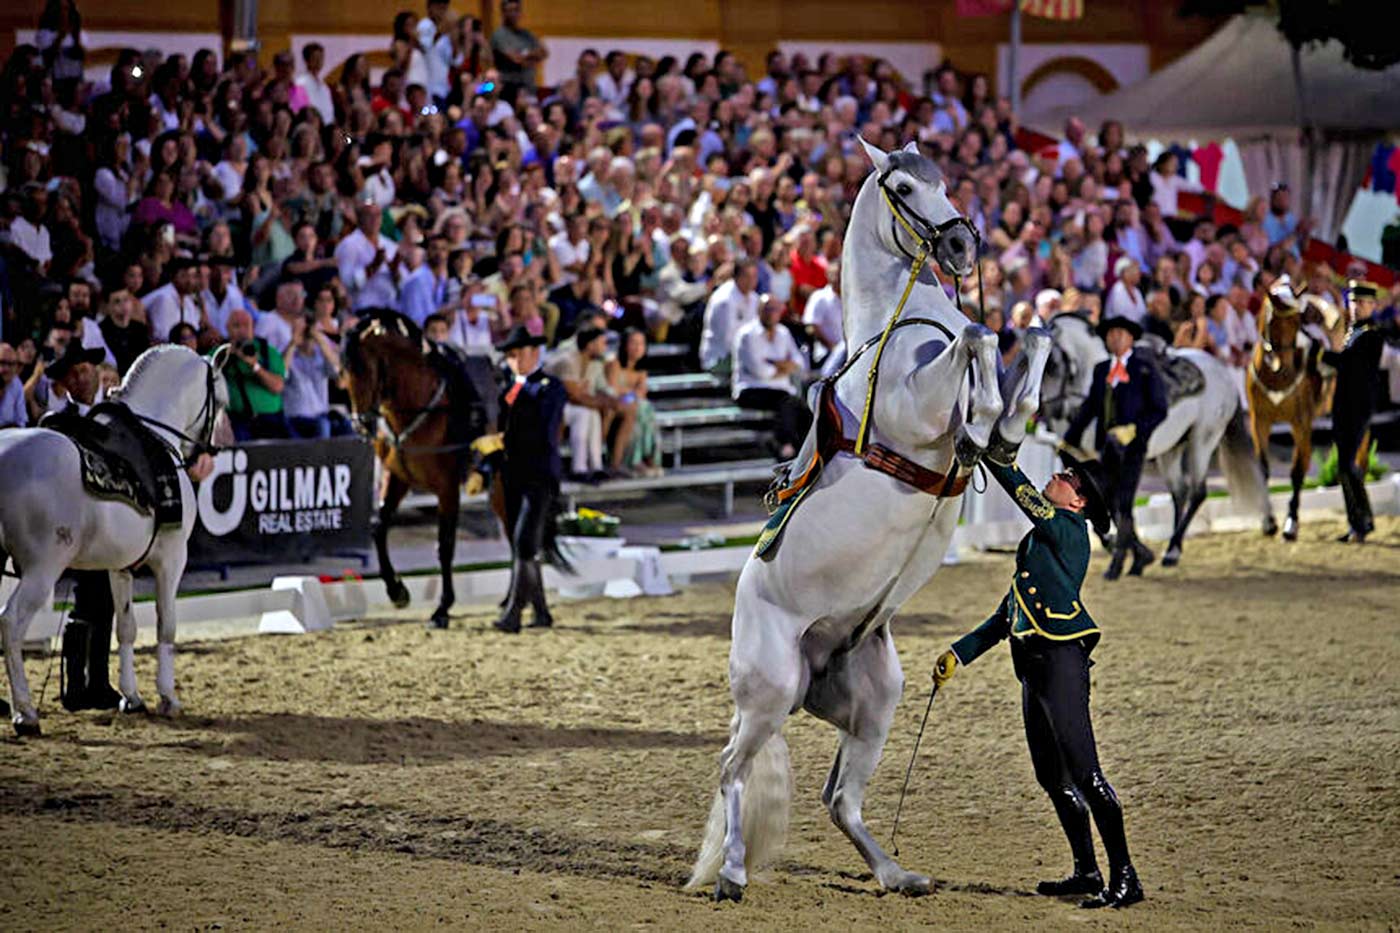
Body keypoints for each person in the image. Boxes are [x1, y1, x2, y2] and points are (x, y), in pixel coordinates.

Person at [931, 448, 1144, 910]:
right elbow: (1004, 616)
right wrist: (957, 655)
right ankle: (1087, 870)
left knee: (1087, 774)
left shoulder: (1066, 530)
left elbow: (1021, 492)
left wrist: (992, 454)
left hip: (1060, 662)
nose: (1058, 475)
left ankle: (1126, 875)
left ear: (1079, 502)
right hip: (1033, 667)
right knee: (1052, 776)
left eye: (1067, 476)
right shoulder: (1038, 543)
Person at [1063, 315, 1168, 580]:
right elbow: (1090, 407)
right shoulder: (1101, 370)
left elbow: (1159, 409)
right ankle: (1140, 551)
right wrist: (1069, 438)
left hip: (1132, 449)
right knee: (1108, 502)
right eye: (1111, 334)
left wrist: (1134, 430)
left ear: (1131, 338)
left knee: (1123, 503)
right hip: (1106, 449)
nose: (1116, 338)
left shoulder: (1144, 367)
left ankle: (1118, 561)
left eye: (1121, 334)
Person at [493, 324, 566, 633]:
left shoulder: (549, 386)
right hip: (513, 475)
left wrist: (518, 389)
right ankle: (541, 609)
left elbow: (543, 425)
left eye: (517, 354)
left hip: (538, 476)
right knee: (522, 543)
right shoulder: (508, 389)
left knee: (524, 541)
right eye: (509, 355)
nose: (513, 360)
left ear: (533, 353)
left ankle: (514, 611)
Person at [1321, 281, 1398, 543]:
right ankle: (1361, 520)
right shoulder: (1353, 331)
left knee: (1346, 465)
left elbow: (1348, 365)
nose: (1356, 307)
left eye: (1362, 303)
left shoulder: (1371, 335)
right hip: (1344, 406)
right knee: (1346, 465)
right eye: (1353, 303)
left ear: (1373, 306)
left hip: (1358, 407)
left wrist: (1319, 354)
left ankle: (1361, 521)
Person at [733, 295, 811, 460]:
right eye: (767, 309)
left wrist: (775, 364)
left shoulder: (783, 333)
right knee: (788, 402)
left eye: (775, 310)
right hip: (750, 390)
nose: (771, 313)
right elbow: (760, 371)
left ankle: (802, 452)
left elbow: (798, 363)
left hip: (780, 392)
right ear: (759, 310)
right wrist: (785, 366)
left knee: (805, 410)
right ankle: (785, 447)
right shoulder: (747, 334)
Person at [546, 326, 618, 482]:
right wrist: (602, 403)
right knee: (584, 412)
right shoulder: (568, 361)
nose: (605, 347)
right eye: (602, 343)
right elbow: (573, 395)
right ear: (590, 345)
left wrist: (610, 400)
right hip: (550, 406)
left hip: (568, 406)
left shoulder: (594, 363)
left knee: (592, 413)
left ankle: (596, 466)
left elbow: (600, 389)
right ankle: (578, 468)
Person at [223, 308, 289, 440]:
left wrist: (255, 366)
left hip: (270, 420)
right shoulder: (221, 353)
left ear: (253, 327)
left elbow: (277, 387)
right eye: (236, 326)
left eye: (246, 325)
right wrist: (229, 355)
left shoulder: (268, 352)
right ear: (227, 329)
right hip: (237, 421)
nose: (242, 330)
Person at [282, 311, 342, 439]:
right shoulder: (289, 354)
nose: (306, 336)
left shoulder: (322, 355)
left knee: (341, 425)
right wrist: (293, 342)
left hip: (321, 415)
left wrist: (320, 339)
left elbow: (337, 372)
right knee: (322, 426)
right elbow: (281, 374)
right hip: (295, 418)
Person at [699, 259, 760, 374]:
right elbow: (727, 340)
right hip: (718, 359)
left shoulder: (754, 298)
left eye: (754, 276)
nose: (752, 280)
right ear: (736, 277)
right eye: (747, 276)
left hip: (743, 355)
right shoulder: (724, 301)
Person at [491, 0, 548, 97]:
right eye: (510, 10)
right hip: (509, 88)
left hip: (529, 86)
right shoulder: (499, 35)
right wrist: (531, 58)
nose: (513, 14)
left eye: (516, 10)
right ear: (503, 13)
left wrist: (525, 56)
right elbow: (515, 59)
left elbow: (544, 52)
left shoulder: (526, 35)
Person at [1104, 257, 1146, 326]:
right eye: (1135, 270)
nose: (1139, 273)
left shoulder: (1137, 291)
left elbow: (1143, 314)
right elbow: (1120, 316)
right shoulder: (1117, 290)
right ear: (1125, 273)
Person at [0, 343, 28, 428]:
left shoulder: (16, 383)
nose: (7, 369)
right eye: (2, 363)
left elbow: (21, 420)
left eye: (11, 364)